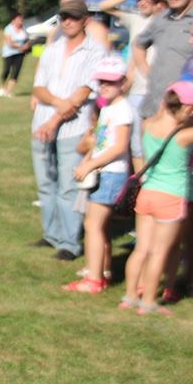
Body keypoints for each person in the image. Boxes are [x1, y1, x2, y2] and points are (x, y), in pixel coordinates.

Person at [30, 0, 105, 261]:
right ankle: (51, 234)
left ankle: (69, 242)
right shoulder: (51, 49)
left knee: (68, 186)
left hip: (73, 127)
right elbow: (38, 87)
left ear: (85, 20)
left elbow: (84, 91)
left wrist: (56, 117)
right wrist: (57, 104)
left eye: (73, 17)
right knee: (45, 183)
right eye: (63, 17)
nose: (67, 22)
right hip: (41, 121)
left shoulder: (95, 51)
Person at [120, 82, 193, 316]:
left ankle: (130, 297)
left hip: (147, 194)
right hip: (170, 197)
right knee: (160, 252)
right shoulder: (184, 136)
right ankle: (149, 301)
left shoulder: (148, 125)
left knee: (141, 249)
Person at [62, 57, 132, 294]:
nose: (104, 85)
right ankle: (101, 270)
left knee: (93, 225)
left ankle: (94, 279)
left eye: (111, 82)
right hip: (101, 171)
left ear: (124, 82)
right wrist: (87, 160)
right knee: (97, 225)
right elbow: (102, 141)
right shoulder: (109, 106)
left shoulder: (122, 110)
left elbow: (119, 146)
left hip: (111, 174)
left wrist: (91, 165)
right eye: (101, 81)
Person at [99, 0, 167, 172]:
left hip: (160, 91)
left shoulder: (168, 19)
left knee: (158, 142)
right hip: (135, 90)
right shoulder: (135, 19)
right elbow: (104, 5)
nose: (142, 2)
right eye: (139, 0)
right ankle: (140, 186)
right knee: (136, 145)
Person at [132, 0, 193, 120]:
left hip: (183, 116)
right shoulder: (162, 18)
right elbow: (138, 44)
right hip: (152, 110)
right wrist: (147, 72)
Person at [0, 12, 31, 98]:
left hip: (20, 53)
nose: (20, 21)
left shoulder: (23, 29)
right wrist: (20, 46)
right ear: (14, 20)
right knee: (7, 70)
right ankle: (2, 86)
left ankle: (9, 91)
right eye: (18, 19)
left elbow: (27, 39)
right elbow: (9, 42)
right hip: (9, 53)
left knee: (16, 72)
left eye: (21, 19)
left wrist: (27, 45)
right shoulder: (8, 29)